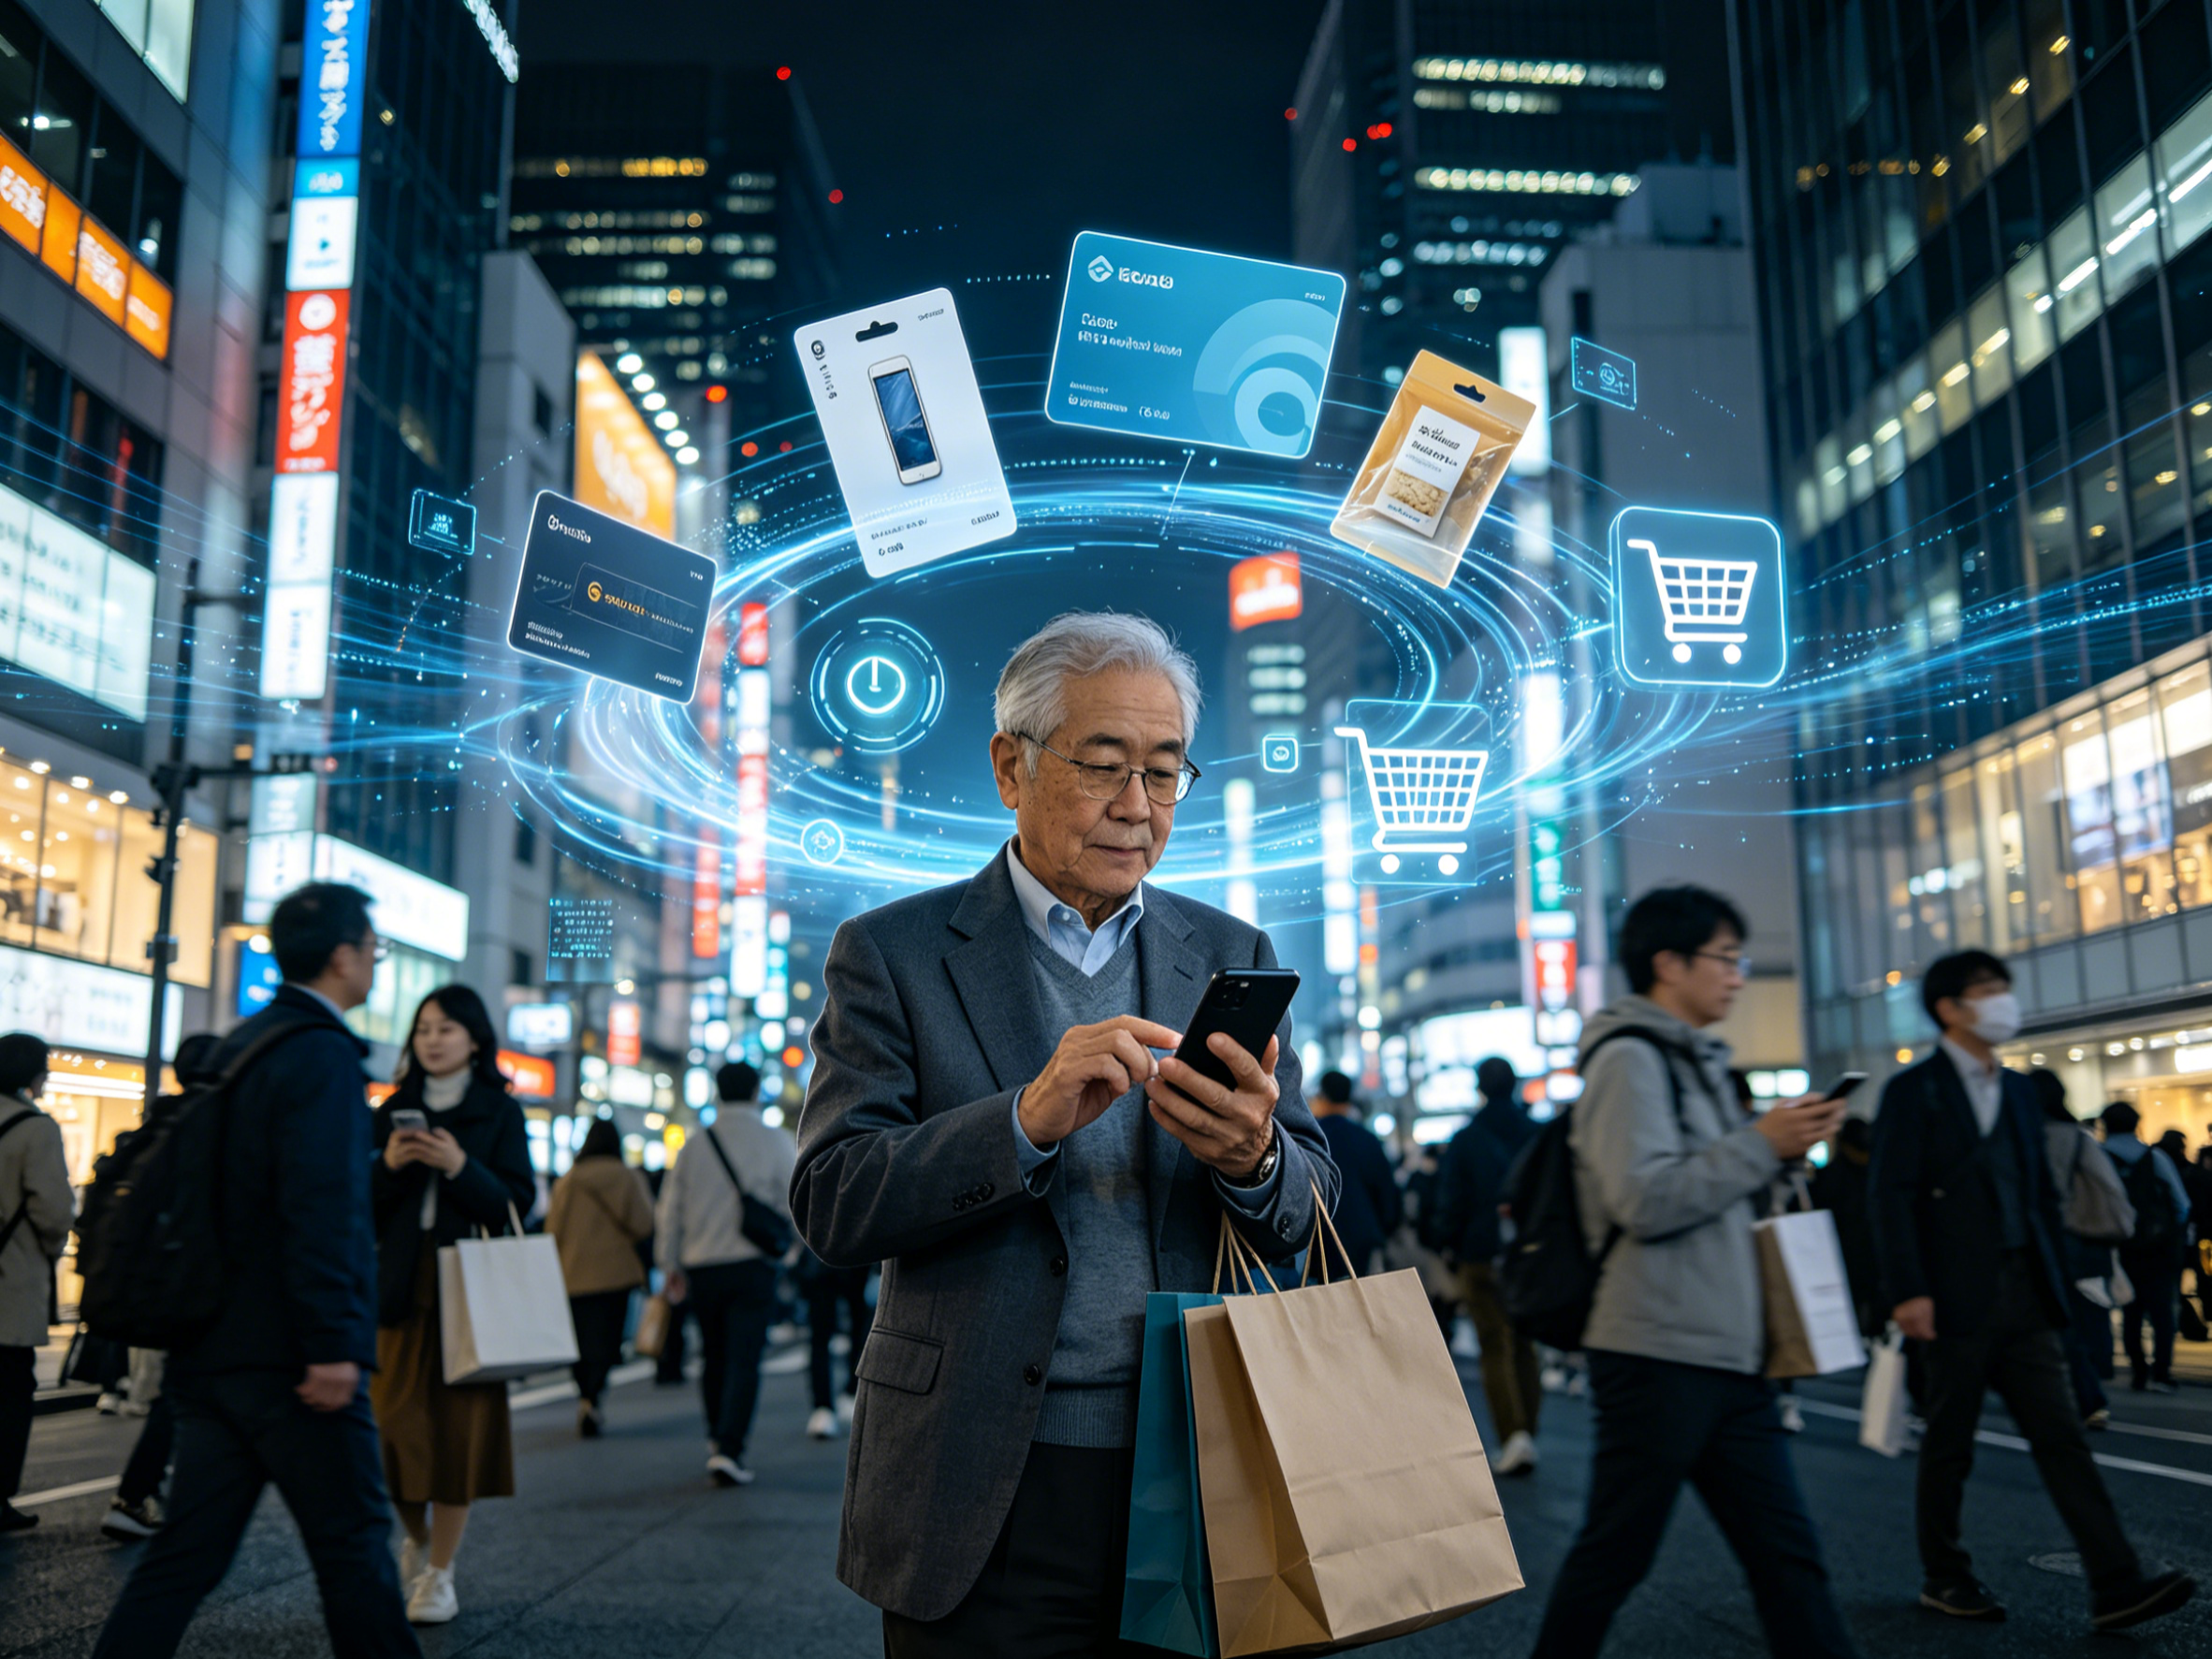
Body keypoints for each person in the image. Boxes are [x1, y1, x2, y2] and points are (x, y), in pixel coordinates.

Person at [793, 612, 1338, 1657]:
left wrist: (1253, 1158)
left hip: (1196, 1460)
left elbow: (1309, 1208)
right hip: (977, 1473)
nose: (1137, 807)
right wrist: (1023, 1123)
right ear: (1011, 766)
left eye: (1165, 772)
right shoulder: (893, 954)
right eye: (1101, 765)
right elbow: (833, 1200)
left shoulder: (1229, 952)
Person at [94, 882, 419, 1658]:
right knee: (355, 1550)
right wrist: (335, 1342)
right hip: (292, 1357)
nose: (374, 961)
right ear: (343, 954)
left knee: (184, 1556)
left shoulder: (241, 1045)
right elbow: (321, 1209)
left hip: (207, 1346)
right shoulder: (320, 1054)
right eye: (373, 948)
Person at [1529, 885, 1855, 1659]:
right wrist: (1760, 1144)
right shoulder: (1630, 1060)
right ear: (1668, 963)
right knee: (1615, 1555)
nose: (1739, 973)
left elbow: (1710, 1190)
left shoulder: (1698, 1061)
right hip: (1656, 1348)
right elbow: (1644, 1198)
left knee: (1789, 1559)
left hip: (1725, 1354)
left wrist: (1777, 1151)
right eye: (1726, 956)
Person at [1868, 950, 2193, 1631]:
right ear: (1950, 1007)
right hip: (1953, 1294)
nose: (2003, 1001)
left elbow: (2042, 1196)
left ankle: (2115, 1582)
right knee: (1950, 1439)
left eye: (2003, 989)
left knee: (2063, 1436)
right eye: (1988, 990)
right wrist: (1908, 1289)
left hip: (2026, 1291)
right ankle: (1945, 1574)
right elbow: (1891, 1197)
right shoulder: (1915, 1091)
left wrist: (2055, 1274)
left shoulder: (2017, 1090)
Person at [368, 985, 535, 1625]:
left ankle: (440, 1570)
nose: (432, 1039)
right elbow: (359, 1201)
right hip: (399, 1291)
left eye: (446, 1028)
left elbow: (517, 1203)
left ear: (474, 1038)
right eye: (423, 1028)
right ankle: (416, 1536)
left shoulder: (498, 1111)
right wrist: (387, 1164)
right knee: (387, 1430)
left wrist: (461, 1164)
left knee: (459, 1437)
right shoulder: (392, 1109)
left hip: (472, 1295)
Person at [96, 1033, 225, 1542]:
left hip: (146, 1282)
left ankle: (148, 1490)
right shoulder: (207, 1123)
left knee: (181, 1388)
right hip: (192, 1286)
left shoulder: (156, 1123)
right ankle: (136, 1493)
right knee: (184, 1392)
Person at [658, 1060, 796, 1486]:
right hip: (754, 1265)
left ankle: (716, 1438)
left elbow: (670, 1211)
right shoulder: (777, 1141)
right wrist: (790, 1254)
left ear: (717, 1091)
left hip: (702, 1265)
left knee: (713, 1354)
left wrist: (670, 1264)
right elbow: (798, 1198)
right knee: (745, 1358)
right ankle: (730, 1447)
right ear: (757, 1092)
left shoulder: (695, 1145)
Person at [1434, 1055, 1541, 1475]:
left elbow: (1451, 1198)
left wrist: (1447, 1243)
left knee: (1494, 1344)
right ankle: (1529, 1432)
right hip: (1528, 1254)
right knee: (1525, 1341)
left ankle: (1513, 1436)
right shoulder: (1535, 1134)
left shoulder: (1466, 1138)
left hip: (1479, 1254)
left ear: (1480, 1088)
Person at [0, 1032, 73, 1535]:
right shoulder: (35, 1129)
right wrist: (45, 1252)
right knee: (8, 1393)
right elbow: (53, 1212)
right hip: (9, 1284)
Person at [2030, 1070, 2131, 1431]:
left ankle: (2066, 1400)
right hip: (2074, 1244)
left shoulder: (2017, 1138)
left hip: (2028, 1246)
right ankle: (2089, 1400)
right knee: (2077, 1325)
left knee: (2044, 1328)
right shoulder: (2075, 1139)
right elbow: (2110, 1192)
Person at [546, 1116, 654, 1436]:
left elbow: (553, 1230)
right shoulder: (627, 1177)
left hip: (574, 1273)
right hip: (615, 1274)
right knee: (606, 1338)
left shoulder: (569, 1179)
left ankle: (584, 1395)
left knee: (578, 1340)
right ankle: (595, 1395)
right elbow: (644, 1223)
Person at [2099, 1101, 2192, 1395]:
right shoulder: (2155, 1157)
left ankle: (2139, 1373)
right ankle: (2161, 1373)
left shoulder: (2097, 1157)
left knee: (2131, 1313)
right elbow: (2182, 1204)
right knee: (2163, 1314)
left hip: (2118, 1248)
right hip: (2159, 1250)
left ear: (2105, 1124)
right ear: (2137, 1123)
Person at [1308, 1070, 1399, 1276]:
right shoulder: (1367, 1139)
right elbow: (1387, 1195)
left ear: (1322, 1097)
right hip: (1364, 1241)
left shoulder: (1311, 1140)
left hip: (1321, 1243)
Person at [795, 1247, 874, 1440]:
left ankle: (827, 1405)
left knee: (825, 1336)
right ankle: (839, 1399)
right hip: (851, 1253)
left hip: (827, 1253)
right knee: (853, 1328)